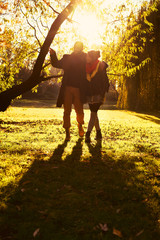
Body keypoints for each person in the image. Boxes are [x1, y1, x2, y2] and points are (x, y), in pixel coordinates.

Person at [49, 41, 87, 141]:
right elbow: (56, 64)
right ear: (74, 47)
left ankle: (80, 125)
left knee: (79, 110)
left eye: (79, 47)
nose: (77, 48)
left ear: (82, 48)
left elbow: (92, 63)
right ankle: (67, 133)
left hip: (79, 89)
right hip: (67, 88)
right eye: (76, 46)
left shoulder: (85, 58)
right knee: (67, 111)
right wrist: (53, 55)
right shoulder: (67, 58)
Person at [85, 50, 109, 143]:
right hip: (90, 94)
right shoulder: (88, 67)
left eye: (88, 56)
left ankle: (87, 134)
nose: (86, 58)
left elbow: (105, 81)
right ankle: (98, 133)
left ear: (92, 57)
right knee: (94, 114)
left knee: (93, 114)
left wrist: (102, 93)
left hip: (98, 94)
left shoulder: (100, 66)